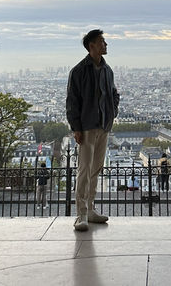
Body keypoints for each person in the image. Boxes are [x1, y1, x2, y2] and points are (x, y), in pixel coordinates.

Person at [66, 29, 120, 232]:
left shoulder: (107, 70)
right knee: (84, 170)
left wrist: (112, 112)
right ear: (92, 46)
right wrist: (76, 128)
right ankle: (81, 213)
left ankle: (89, 209)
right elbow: (72, 102)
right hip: (88, 126)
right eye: (102, 42)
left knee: (95, 168)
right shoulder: (79, 71)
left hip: (103, 125)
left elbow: (114, 94)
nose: (106, 45)